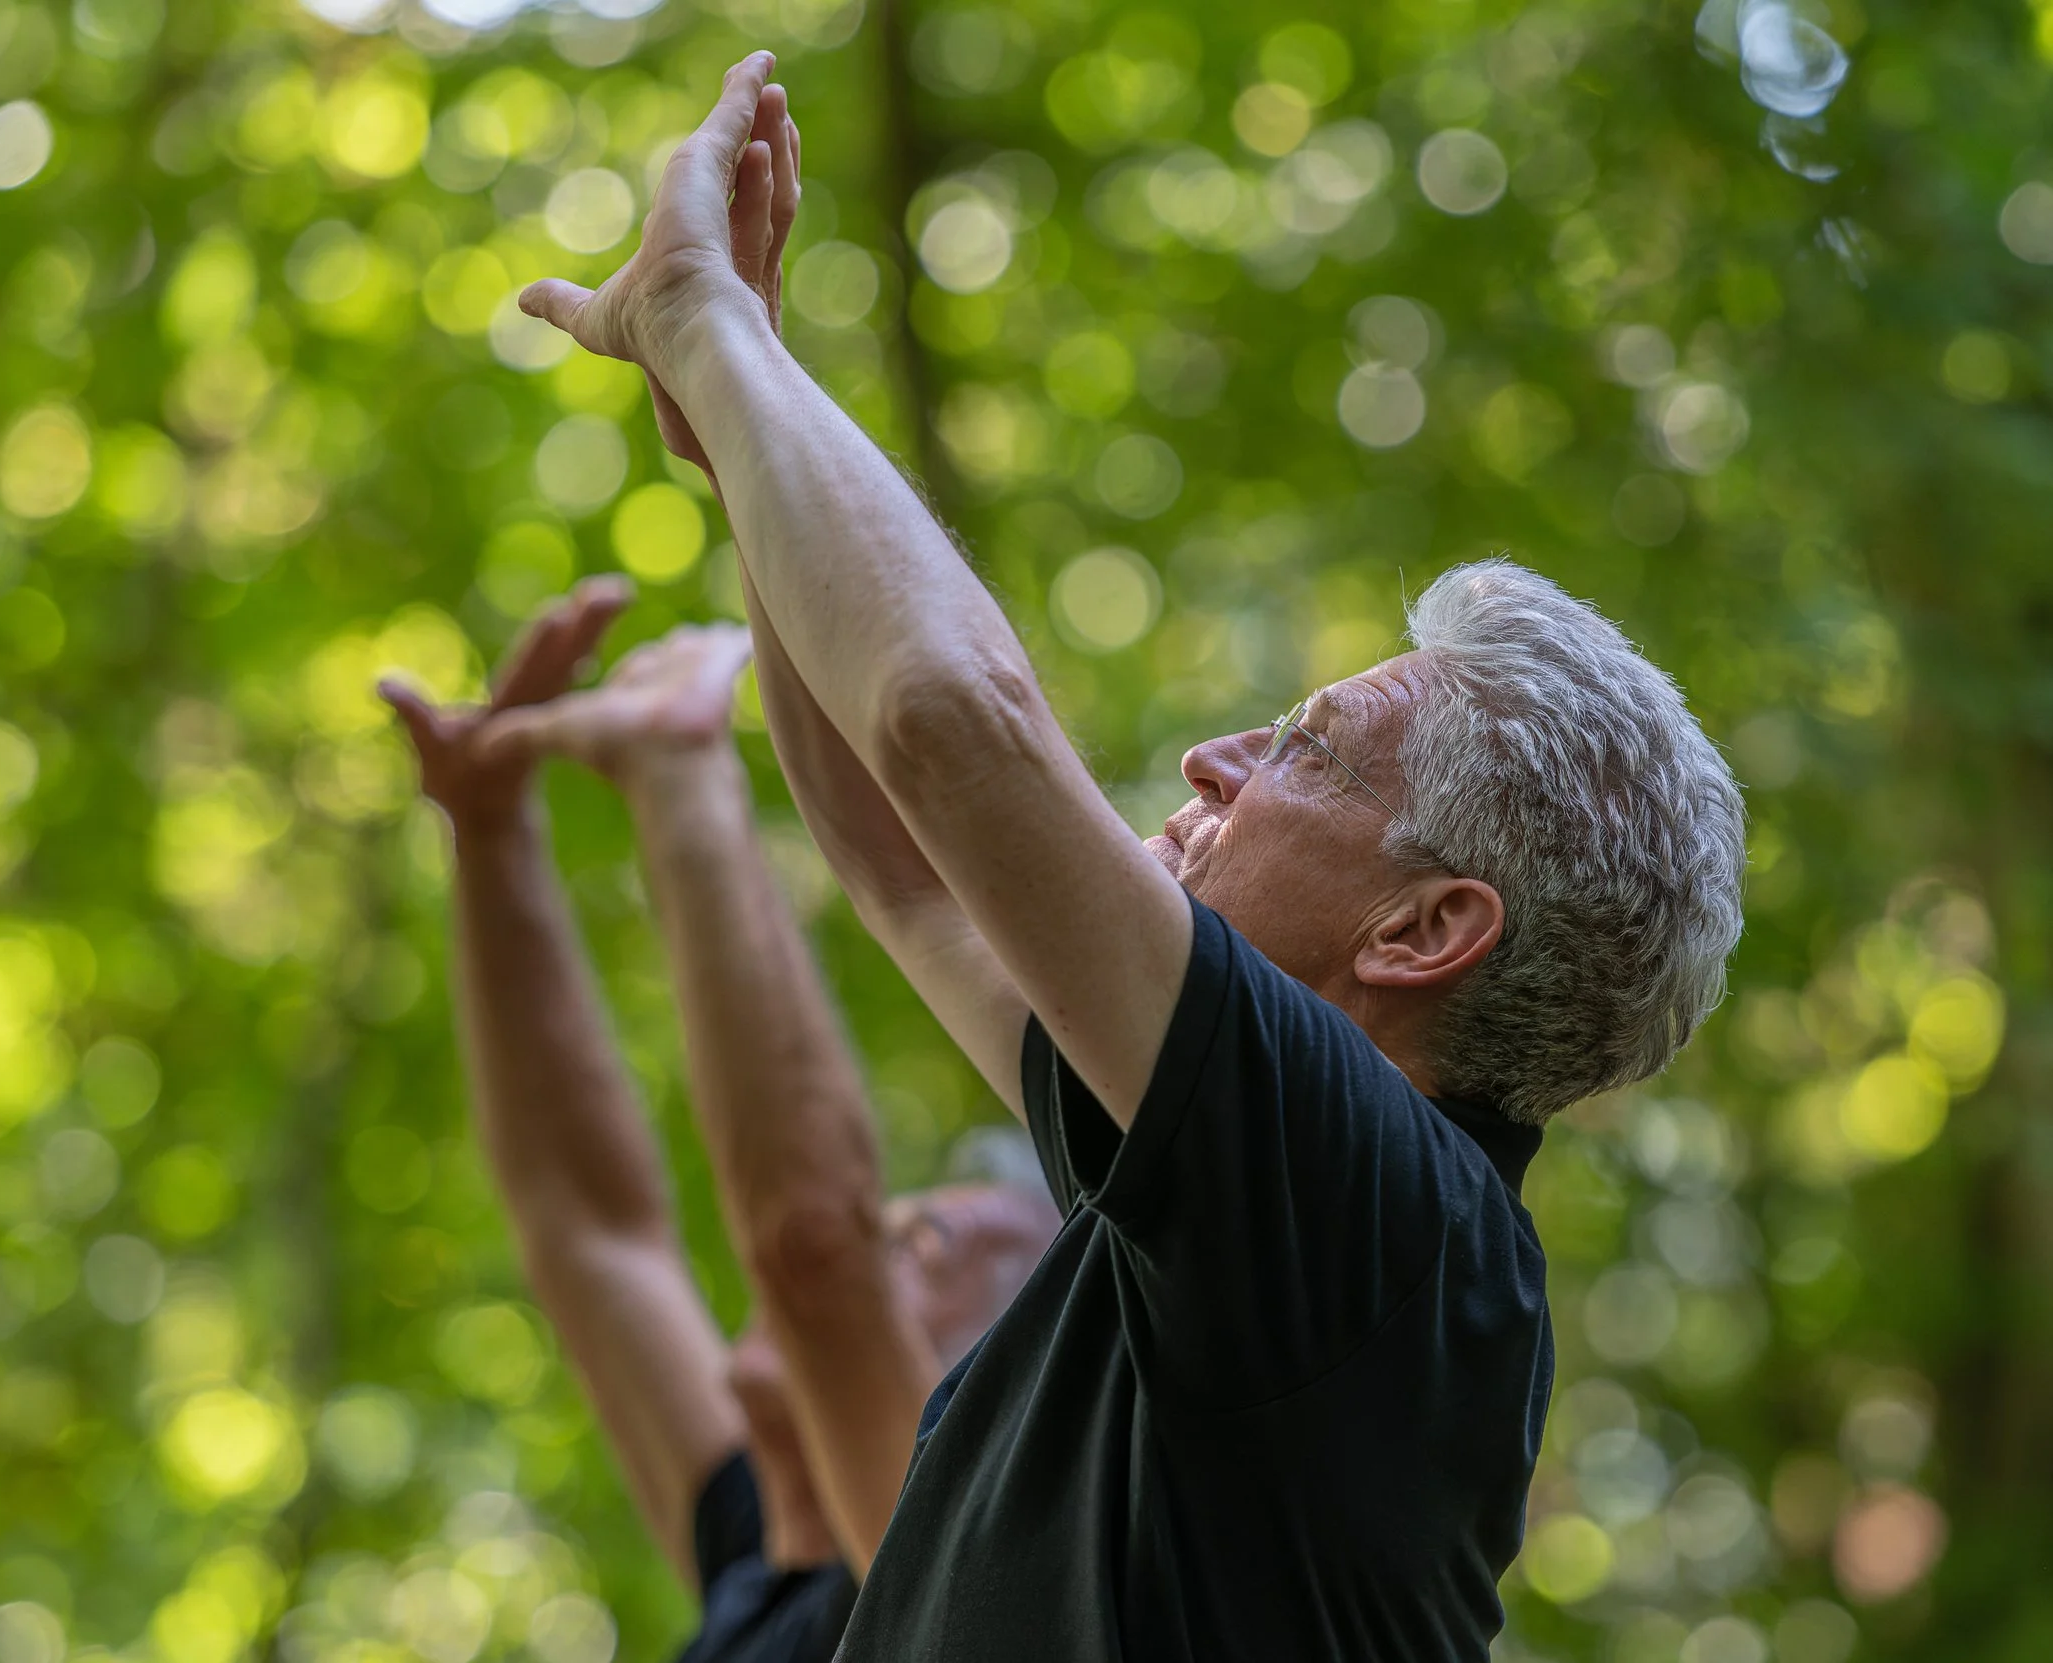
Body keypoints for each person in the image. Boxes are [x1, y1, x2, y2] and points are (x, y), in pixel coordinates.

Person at [510, 53, 1751, 1660]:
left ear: (1427, 923)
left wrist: (709, 324)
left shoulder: (1385, 1219)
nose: (1208, 759)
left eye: (1303, 746)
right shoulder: (1231, 1195)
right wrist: (751, 449)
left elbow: (954, 723)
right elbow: (911, 867)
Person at [382, 582, 1061, 1663]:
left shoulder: (936, 1573)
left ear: (984, 1395)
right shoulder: (758, 1568)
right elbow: (588, 1228)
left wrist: (685, 770)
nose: (882, 1222)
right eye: (904, 1211)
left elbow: (812, 1247)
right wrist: (491, 828)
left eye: (928, 1242)